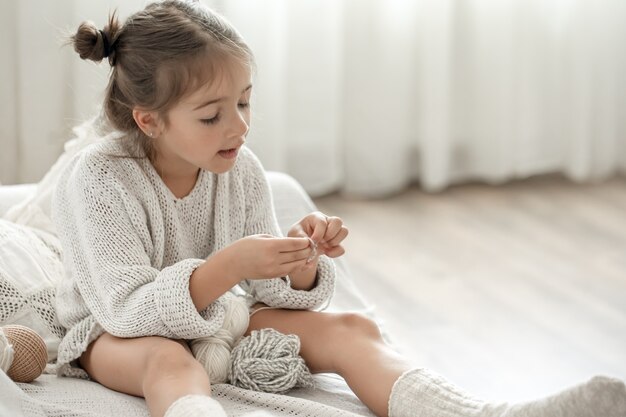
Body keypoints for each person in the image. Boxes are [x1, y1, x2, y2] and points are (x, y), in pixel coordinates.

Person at [52, 1, 626, 417]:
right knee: (172, 366)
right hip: (114, 335)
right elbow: (125, 309)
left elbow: (270, 295)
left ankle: (481, 416)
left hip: (217, 316)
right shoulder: (101, 177)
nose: (240, 126)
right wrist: (229, 267)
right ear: (149, 120)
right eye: (212, 115)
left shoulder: (241, 167)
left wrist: (298, 263)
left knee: (352, 326)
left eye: (246, 102)